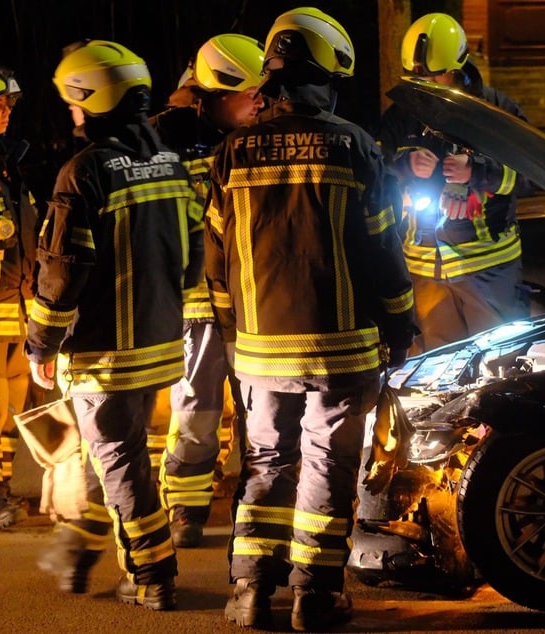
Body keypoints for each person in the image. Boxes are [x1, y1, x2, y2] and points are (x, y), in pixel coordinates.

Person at [206, 7, 416, 631]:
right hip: (342, 346)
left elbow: (216, 260)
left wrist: (231, 335)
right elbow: (383, 249)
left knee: (267, 461)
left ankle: (250, 592)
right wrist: (401, 324)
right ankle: (314, 597)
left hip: (260, 347)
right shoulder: (353, 145)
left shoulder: (231, 152)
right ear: (327, 73)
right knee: (327, 462)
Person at [26, 39, 200, 610]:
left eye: (75, 104)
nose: (73, 115)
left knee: (119, 461)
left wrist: (41, 342)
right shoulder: (170, 163)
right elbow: (194, 257)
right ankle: (79, 550)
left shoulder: (84, 173)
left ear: (93, 101)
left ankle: (152, 574)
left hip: (104, 351)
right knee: (116, 455)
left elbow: (62, 269)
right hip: (160, 343)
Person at [150, 33, 265, 548]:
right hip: (197, 306)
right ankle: (186, 509)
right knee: (196, 411)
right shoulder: (164, 145)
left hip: (253, 304)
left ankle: (254, 508)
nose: (260, 101)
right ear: (217, 95)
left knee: (260, 412)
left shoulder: (252, 139)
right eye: (249, 94)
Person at [377, 12, 531, 353]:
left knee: (498, 361)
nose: (426, 86)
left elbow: (529, 176)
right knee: (436, 365)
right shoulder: (400, 116)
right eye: (417, 78)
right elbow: (374, 169)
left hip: (487, 271)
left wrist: (475, 172)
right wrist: (404, 164)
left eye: (435, 76)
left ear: (458, 68)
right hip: (423, 269)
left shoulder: (497, 111)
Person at [0, 65, 37, 531]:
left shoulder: (4, 165)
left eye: (7, 106)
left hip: (11, 303)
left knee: (10, 404)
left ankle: (1, 486)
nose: (5, 113)